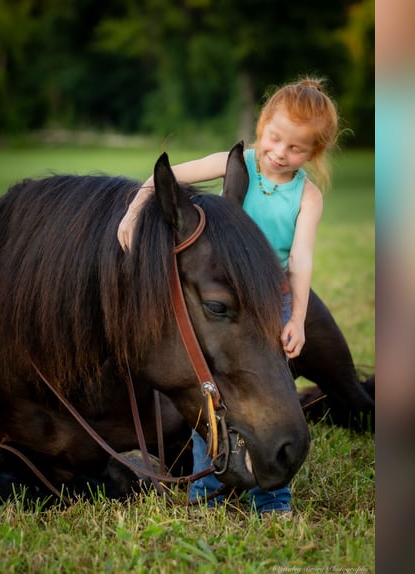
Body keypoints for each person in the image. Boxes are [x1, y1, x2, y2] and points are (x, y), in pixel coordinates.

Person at [117, 77, 340, 516]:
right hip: (223, 291)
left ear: (313, 154)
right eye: (275, 138)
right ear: (263, 126)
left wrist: (295, 318)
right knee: (212, 391)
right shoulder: (238, 163)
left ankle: (272, 498)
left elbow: (300, 259)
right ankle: (207, 490)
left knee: (269, 388)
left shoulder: (307, 195)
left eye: (297, 149)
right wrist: (134, 208)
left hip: (266, 297)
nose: (280, 153)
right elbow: (169, 177)